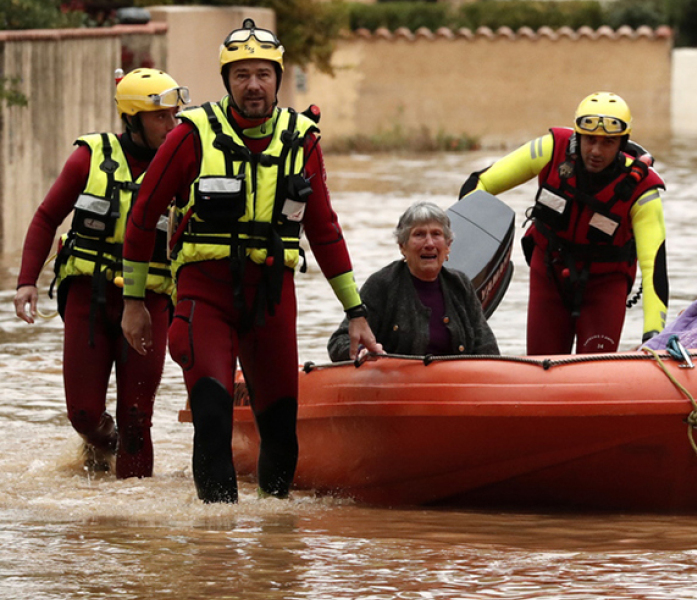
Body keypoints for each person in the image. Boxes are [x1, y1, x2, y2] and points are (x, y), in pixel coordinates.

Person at [120, 18, 380, 503]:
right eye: (242, 75)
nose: (253, 85)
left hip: (273, 300)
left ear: (278, 78)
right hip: (204, 295)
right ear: (227, 81)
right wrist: (134, 301)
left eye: (263, 73)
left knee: (281, 430)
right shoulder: (190, 134)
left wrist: (356, 313)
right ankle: (215, 549)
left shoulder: (303, 139)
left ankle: (273, 547)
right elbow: (142, 215)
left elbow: (324, 231)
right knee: (213, 419)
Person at [12, 68, 188, 478]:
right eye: (161, 117)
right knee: (84, 414)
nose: (172, 125)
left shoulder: (183, 163)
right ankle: (102, 448)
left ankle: (130, 526)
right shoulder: (89, 157)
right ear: (133, 118)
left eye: (175, 116)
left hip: (151, 300)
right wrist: (26, 282)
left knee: (137, 420)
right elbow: (45, 217)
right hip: (87, 298)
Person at [458, 92, 668, 355]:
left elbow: (654, 268)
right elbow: (481, 183)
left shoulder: (643, 191)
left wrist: (654, 336)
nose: (596, 151)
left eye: (608, 143)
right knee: (541, 366)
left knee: (593, 373)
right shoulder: (549, 149)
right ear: (578, 136)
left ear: (622, 143)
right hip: (549, 276)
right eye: (590, 139)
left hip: (605, 286)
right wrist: (463, 246)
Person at [327, 201, 499, 361]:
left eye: (436, 234)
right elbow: (338, 342)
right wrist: (362, 352)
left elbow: (487, 347)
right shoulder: (382, 284)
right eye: (419, 235)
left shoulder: (460, 284)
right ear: (402, 246)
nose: (429, 243)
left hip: (456, 387)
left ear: (448, 246)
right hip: (396, 388)